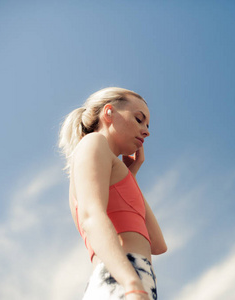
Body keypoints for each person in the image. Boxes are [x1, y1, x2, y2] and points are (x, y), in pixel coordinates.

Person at [58, 87, 167, 300]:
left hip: (133, 277)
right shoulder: (94, 142)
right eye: (139, 119)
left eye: (147, 125)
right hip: (119, 278)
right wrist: (131, 284)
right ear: (109, 113)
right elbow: (91, 217)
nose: (146, 131)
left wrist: (130, 178)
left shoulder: (116, 169)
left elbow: (158, 244)